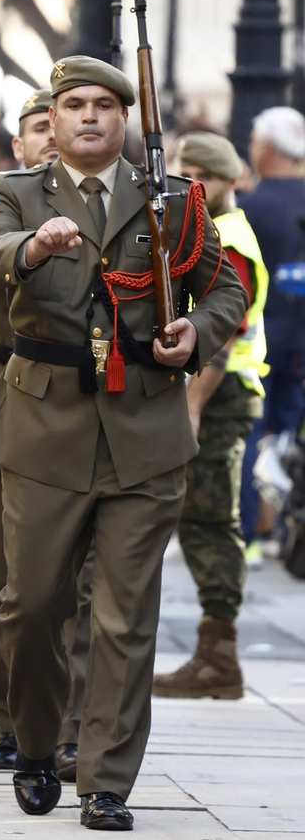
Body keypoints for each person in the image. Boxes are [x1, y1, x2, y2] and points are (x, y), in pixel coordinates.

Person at [0, 56, 246, 829]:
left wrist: (197, 330)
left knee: (126, 614)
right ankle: (35, 740)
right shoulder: (15, 193)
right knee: (30, 604)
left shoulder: (175, 199)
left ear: (125, 118)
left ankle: (106, 780)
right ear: (51, 121)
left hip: (145, 429)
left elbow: (223, 284)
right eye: (74, 105)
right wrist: (29, 249)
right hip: (45, 426)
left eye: (104, 105)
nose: (90, 116)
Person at [0, 88, 90, 778]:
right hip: (13, 401)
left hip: (96, 410)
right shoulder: (3, 200)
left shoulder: (110, 201)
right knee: (16, 582)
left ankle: (70, 729)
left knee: (87, 584)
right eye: (41, 127)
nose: (54, 137)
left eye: (58, 125)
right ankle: (12, 715)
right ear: (22, 145)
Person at [152, 132, 266, 701]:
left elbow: (223, 337)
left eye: (206, 176)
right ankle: (214, 655)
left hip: (220, 398)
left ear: (230, 182)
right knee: (197, 520)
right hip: (206, 394)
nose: (193, 184)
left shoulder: (231, 238)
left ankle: (219, 656)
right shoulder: (199, 226)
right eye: (184, 171)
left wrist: (192, 408)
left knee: (210, 521)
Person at [238, 106, 305, 559]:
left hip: (259, 340)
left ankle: (249, 537)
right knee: (292, 432)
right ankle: (290, 529)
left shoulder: (251, 206)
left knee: (250, 433)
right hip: (301, 341)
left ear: (264, 148)